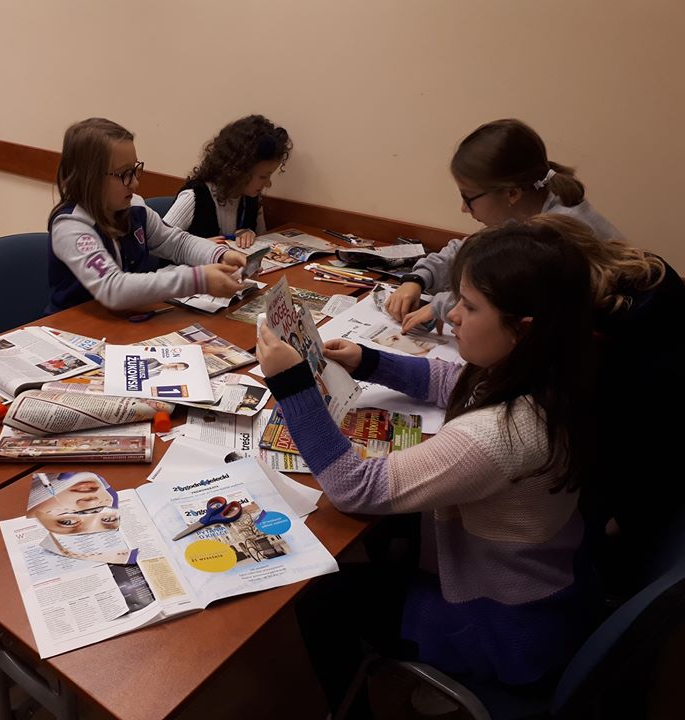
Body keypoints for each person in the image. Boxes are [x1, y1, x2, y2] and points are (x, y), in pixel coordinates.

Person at [257, 221, 597, 711]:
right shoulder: (547, 370)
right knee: (385, 541)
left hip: (504, 623)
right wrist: (368, 361)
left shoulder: (501, 434)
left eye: (470, 307)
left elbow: (356, 488)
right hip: (544, 580)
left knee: (320, 596)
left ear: (523, 329)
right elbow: (452, 381)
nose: (451, 314)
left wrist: (293, 387)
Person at [528, 214, 685, 594]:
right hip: (636, 474)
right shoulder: (640, 276)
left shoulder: (620, 336)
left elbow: (653, 435)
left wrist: (623, 521)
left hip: (632, 498)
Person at [386, 118, 621, 333]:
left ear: (511, 193)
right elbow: (472, 251)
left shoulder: (553, 237)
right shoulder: (526, 208)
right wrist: (418, 279)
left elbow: (505, 303)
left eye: (468, 197)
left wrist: (440, 306)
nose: (464, 208)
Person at [46, 118, 247, 313]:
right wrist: (197, 279)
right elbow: (113, 288)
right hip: (72, 328)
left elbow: (178, 243)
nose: (135, 183)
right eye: (124, 174)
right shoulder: (71, 227)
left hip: (123, 321)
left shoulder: (134, 208)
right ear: (89, 178)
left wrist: (220, 255)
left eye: (135, 170)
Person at [163, 115, 292, 249]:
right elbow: (159, 245)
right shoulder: (194, 197)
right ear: (240, 170)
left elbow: (263, 241)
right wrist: (197, 247)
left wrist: (251, 234)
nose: (268, 184)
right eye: (263, 176)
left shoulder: (251, 198)